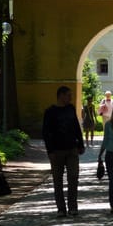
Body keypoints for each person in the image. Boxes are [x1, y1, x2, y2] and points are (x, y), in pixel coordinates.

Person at [42, 86, 85, 217]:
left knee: (73, 177)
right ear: (60, 96)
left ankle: (73, 207)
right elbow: (46, 132)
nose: (70, 98)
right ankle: (61, 208)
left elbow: (76, 127)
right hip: (57, 151)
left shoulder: (71, 109)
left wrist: (81, 143)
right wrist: (50, 151)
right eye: (68, 95)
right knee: (58, 181)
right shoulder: (50, 112)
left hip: (72, 149)